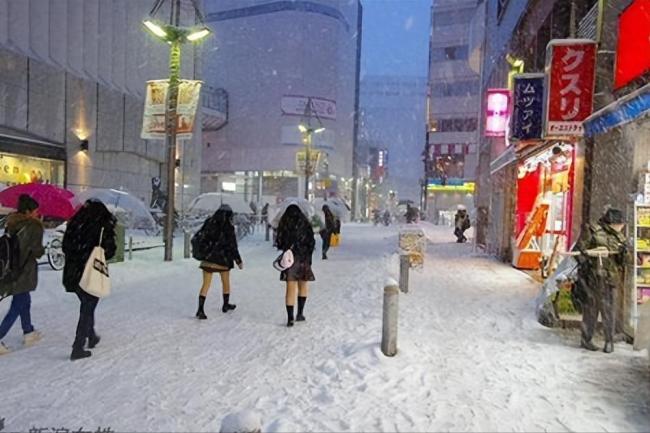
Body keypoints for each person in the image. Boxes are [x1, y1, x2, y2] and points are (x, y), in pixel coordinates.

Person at [62, 199, 116, 361]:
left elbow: (66, 247)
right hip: (90, 272)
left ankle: (91, 335)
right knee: (88, 306)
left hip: (73, 272)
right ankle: (78, 346)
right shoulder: (102, 227)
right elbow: (111, 251)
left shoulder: (74, 224)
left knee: (87, 304)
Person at [574, 208, 629, 353]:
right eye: (620, 224)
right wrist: (589, 259)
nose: (622, 227)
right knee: (591, 309)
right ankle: (586, 339)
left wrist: (624, 254)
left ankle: (609, 341)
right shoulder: (593, 231)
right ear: (612, 223)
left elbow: (624, 262)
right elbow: (578, 251)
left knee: (609, 311)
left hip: (610, 279)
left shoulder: (620, 238)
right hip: (592, 277)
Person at [0, 195, 45, 356]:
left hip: (11, 268)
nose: (37, 213)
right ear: (28, 211)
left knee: (24, 301)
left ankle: (28, 332)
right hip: (24, 271)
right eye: (35, 210)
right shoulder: (33, 226)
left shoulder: (11, 223)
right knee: (18, 304)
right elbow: (37, 251)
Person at [194, 205, 243, 319]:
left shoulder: (209, 223)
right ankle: (225, 304)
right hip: (223, 260)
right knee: (225, 282)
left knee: (206, 284)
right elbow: (232, 246)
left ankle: (200, 309)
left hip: (208, 258)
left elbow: (201, 237)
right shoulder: (228, 227)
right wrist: (238, 260)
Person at [276, 204, 315, 327]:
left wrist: (287, 247)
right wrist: (308, 257)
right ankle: (300, 313)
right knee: (303, 286)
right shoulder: (306, 225)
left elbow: (279, 243)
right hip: (303, 259)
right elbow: (311, 243)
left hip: (290, 260)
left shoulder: (284, 225)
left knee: (290, 288)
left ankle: (290, 318)